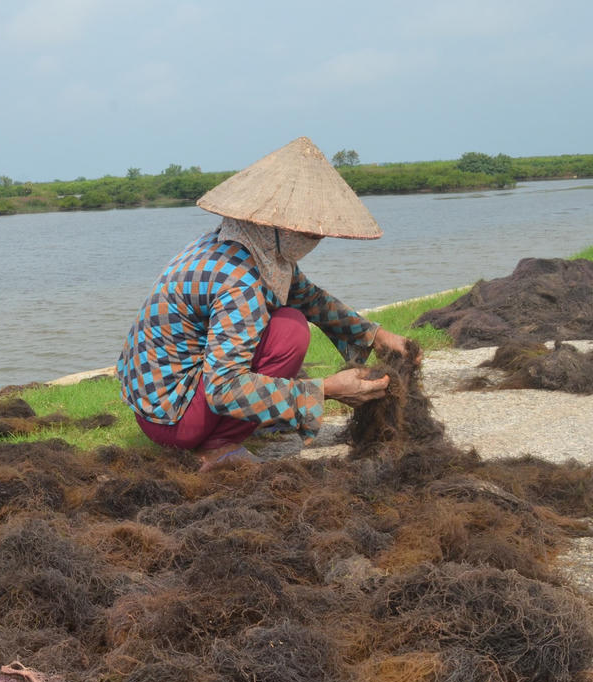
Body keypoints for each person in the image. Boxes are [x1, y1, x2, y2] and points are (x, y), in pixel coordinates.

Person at [116, 136, 416, 470]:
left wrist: (376, 336)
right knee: (290, 331)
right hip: (173, 420)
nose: (316, 242)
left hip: (157, 400)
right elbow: (224, 388)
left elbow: (308, 297)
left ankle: (241, 423)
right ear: (278, 227)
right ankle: (217, 445)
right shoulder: (238, 280)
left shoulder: (242, 242)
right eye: (311, 235)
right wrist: (325, 390)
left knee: (290, 314)